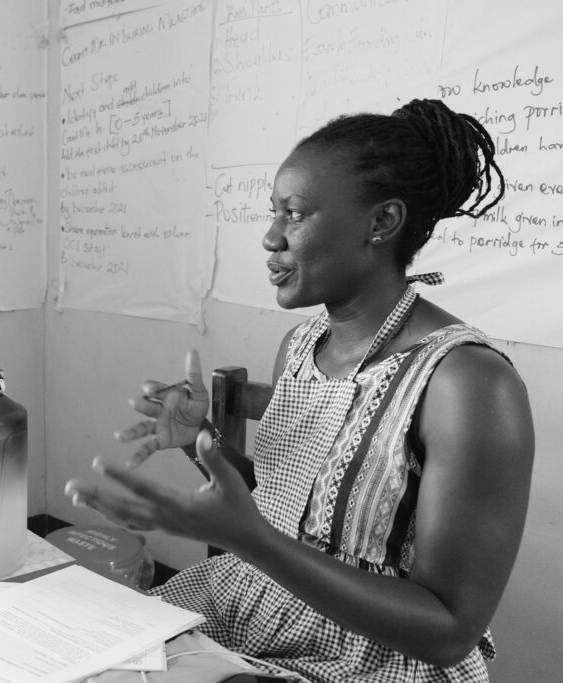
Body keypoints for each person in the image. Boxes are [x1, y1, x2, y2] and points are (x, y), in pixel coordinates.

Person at [65, 99, 535, 682]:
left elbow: (448, 630)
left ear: (381, 223)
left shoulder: (468, 382)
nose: (270, 237)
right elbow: (290, 505)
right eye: (273, 212)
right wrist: (201, 443)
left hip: (371, 661)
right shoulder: (301, 344)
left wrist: (252, 541)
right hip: (253, 608)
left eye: (294, 214)